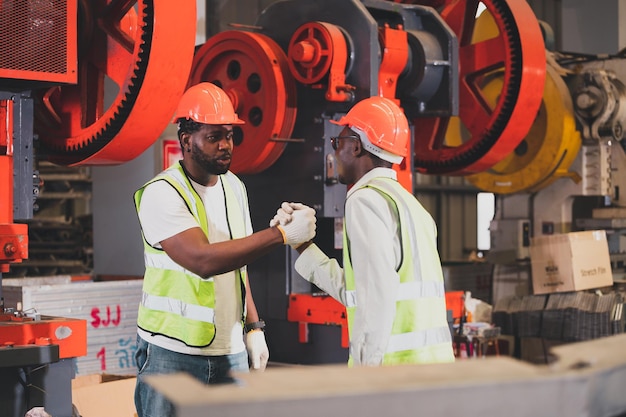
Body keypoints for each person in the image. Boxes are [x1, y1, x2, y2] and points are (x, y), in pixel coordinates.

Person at [133, 82, 316, 417]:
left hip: (229, 351)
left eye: (229, 135)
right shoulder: (162, 193)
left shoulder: (234, 187)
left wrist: (254, 327)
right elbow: (202, 260)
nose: (225, 146)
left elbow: (237, 265)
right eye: (214, 136)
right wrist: (280, 235)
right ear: (186, 140)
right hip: (171, 353)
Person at [273, 96, 455, 367]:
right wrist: (301, 244)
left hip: (395, 374)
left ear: (356, 147)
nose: (334, 151)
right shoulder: (411, 206)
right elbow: (356, 291)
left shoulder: (364, 201)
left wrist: (365, 376)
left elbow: (375, 299)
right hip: (431, 368)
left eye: (338, 142)